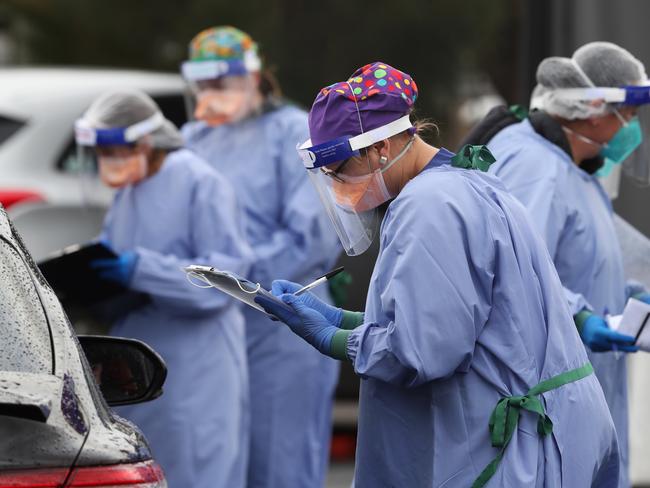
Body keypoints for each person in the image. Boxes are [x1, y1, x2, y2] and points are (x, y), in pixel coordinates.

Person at [256, 62, 620, 487]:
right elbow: (455, 320)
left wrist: (332, 337)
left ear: (380, 149)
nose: (338, 189)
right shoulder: (461, 183)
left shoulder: (429, 206)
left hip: (511, 451)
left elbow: (422, 351)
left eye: (340, 172)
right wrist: (338, 317)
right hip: (542, 434)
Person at [483, 42, 650, 488]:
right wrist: (579, 315)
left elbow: (578, 261)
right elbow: (515, 271)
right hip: (549, 400)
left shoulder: (578, 171)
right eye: (630, 116)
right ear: (596, 110)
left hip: (584, 391)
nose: (633, 130)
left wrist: (627, 295)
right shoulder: (535, 166)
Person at [181, 26, 341, 488]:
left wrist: (234, 276)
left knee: (281, 460)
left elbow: (311, 237)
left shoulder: (293, 132)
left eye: (223, 82)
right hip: (213, 325)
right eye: (204, 84)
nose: (213, 95)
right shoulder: (192, 139)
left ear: (255, 77)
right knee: (216, 460)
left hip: (281, 320)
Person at [75, 89, 253, 488]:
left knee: (196, 469)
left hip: (197, 367)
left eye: (117, 150)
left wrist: (142, 269)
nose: (109, 163)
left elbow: (224, 281)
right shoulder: (128, 191)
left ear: (146, 142)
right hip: (139, 363)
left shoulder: (201, 182)